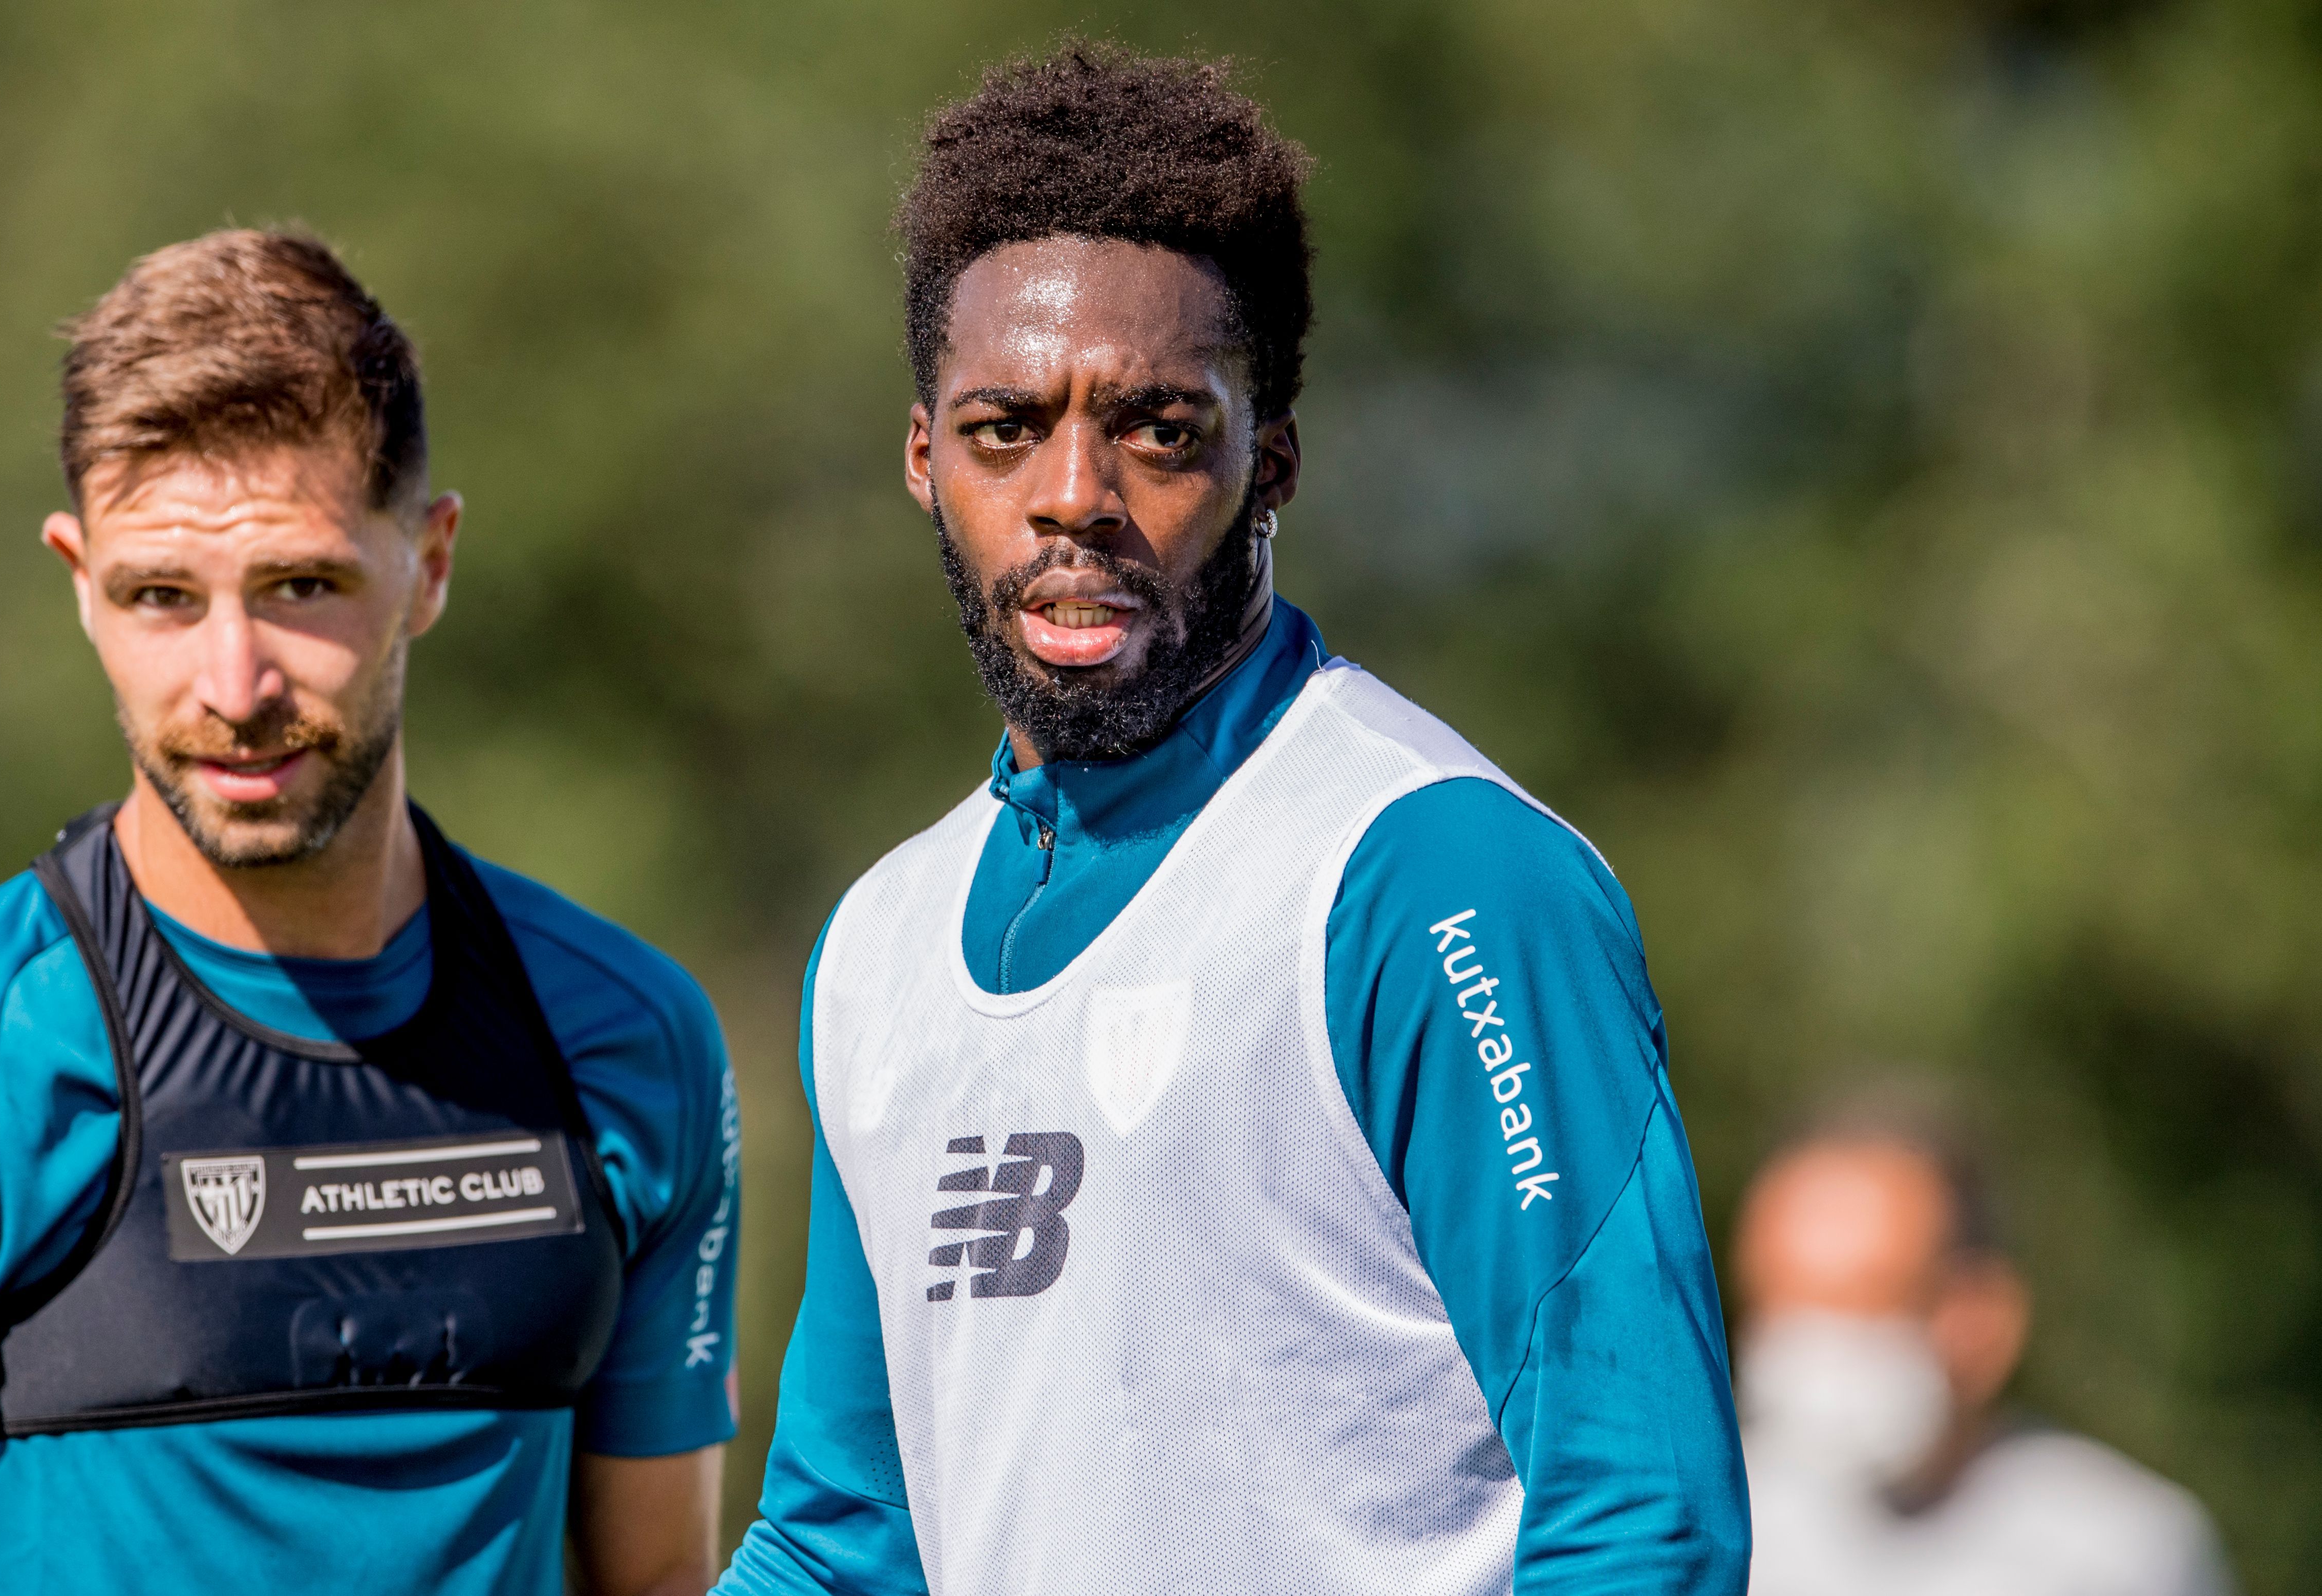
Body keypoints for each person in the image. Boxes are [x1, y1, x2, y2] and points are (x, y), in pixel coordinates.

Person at [716, 45, 1747, 1596]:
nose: (1073, 491)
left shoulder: (1436, 875)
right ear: (926, 460)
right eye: (1006, 428)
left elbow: (1641, 1520)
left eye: (1157, 427)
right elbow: (844, 1540)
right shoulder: (877, 945)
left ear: (1268, 459)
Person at [0, 230, 739, 1596]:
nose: (233, 680)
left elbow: (659, 1578)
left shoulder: (628, 1040)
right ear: (79, 582)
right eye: (161, 596)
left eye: (301, 587)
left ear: (430, 564)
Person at [1737, 1116, 2231, 1596]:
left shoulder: (2128, 1551)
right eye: (1774, 1298)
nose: (1812, 1342)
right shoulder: (1707, 1528)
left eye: (1866, 1301)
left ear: (1984, 1316)